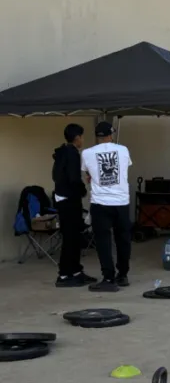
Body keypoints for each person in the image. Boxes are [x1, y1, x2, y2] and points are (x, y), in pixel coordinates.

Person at [80, 122, 132, 292]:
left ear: (97, 136)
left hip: (100, 202)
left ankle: (108, 277)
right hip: (121, 202)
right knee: (123, 239)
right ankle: (123, 275)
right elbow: (124, 169)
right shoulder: (123, 150)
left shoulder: (87, 153)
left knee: (103, 241)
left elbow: (88, 174)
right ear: (111, 134)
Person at [52, 123, 95, 287]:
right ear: (77, 137)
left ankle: (76, 271)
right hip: (69, 200)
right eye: (82, 137)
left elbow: (56, 176)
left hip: (64, 198)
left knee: (75, 237)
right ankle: (64, 275)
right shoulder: (71, 154)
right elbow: (73, 178)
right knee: (70, 238)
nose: (83, 140)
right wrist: (82, 189)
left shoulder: (62, 152)